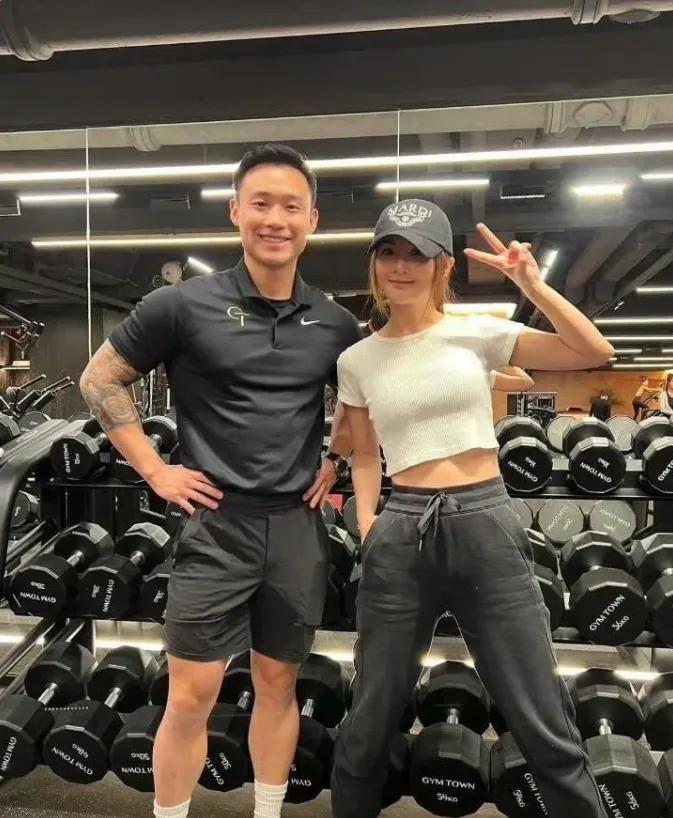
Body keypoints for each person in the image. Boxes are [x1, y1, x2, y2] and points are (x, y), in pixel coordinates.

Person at [79, 144, 362, 818]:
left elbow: (360, 404)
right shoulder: (180, 306)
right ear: (236, 211)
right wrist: (155, 470)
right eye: (260, 203)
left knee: (278, 685)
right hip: (216, 524)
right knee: (189, 696)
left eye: (290, 206)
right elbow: (99, 379)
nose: (275, 219)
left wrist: (336, 458)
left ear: (312, 219)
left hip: (295, 527)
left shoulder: (334, 322)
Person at [330, 198, 613, 818]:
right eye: (388, 252)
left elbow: (592, 350)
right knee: (369, 720)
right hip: (401, 530)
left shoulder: (478, 332)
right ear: (374, 263)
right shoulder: (357, 359)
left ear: (442, 266)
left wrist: (532, 285)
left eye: (418, 254)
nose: (401, 266)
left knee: (541, 717)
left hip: (485, 521)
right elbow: (365, 454)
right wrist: (371, 524)